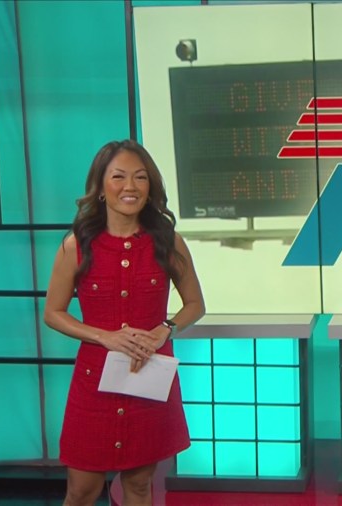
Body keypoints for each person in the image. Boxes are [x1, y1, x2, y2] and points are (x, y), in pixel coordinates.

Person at [44, 139, 205, 505]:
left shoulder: (168, 242)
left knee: (139, 486)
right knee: (81, 490)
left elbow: (195, 304)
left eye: (140, 177)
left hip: (147, 375)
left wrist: (166, 329)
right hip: (93, 383)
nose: (130, 186)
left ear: (150, 187)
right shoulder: (76, 245)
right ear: (101, 187)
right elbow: (53, 313)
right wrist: (104, 337)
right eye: (118, 177)